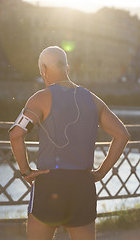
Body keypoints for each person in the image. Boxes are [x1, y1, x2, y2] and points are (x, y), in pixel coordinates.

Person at [9, 46, 130, 240]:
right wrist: (100, 172)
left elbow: (16, 135)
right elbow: (122, 135)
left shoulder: (40, 99)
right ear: (67, 68)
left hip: (49, 183)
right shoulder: (93, 100)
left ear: (44, 69)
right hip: (83, 184)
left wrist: (26, 171)